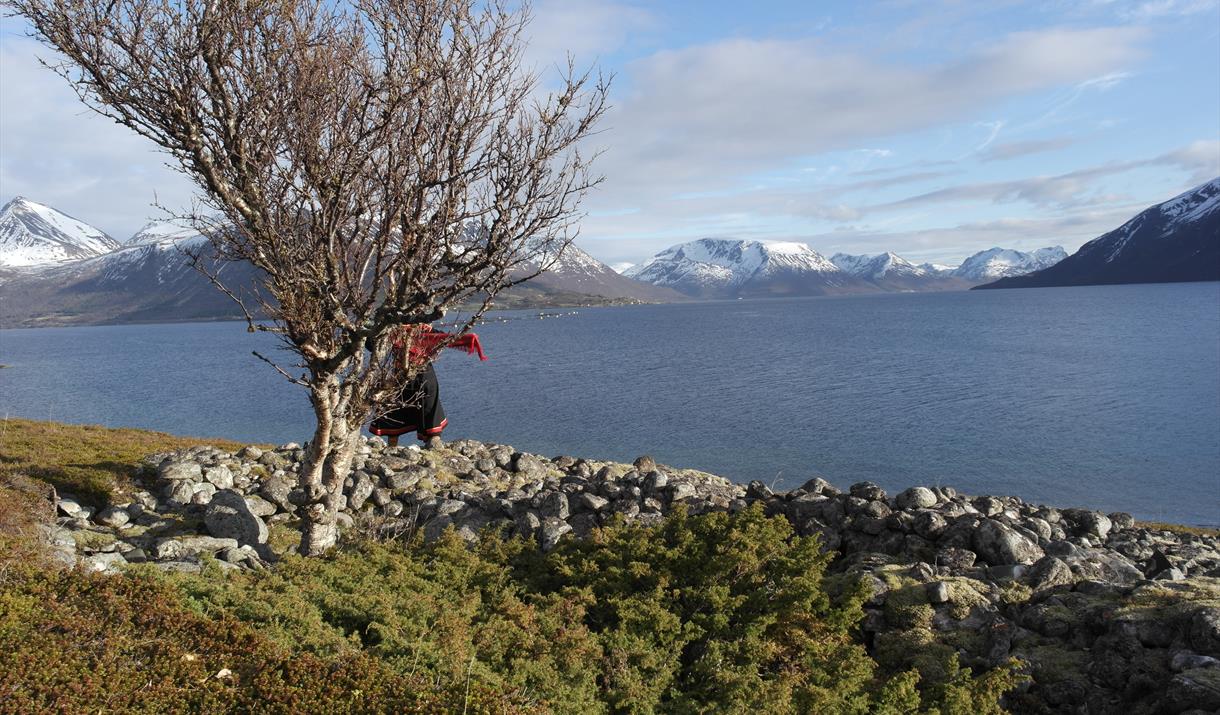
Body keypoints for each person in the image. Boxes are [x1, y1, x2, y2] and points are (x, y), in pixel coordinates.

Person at [369, 323, 486, 447]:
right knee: (394, 410)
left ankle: (432, 445)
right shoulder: (396, 330)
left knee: (426, 409)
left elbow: (443, 338)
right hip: (407, 376)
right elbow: (371, 344)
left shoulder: (417, 330)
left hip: (417, 376)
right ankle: (394, 448)